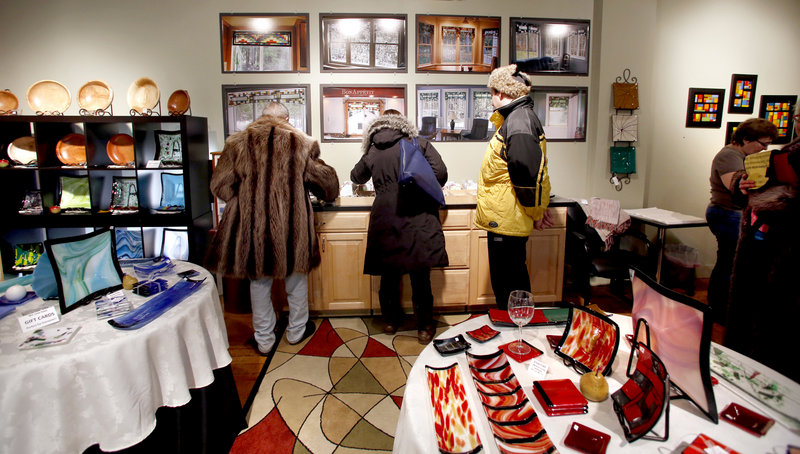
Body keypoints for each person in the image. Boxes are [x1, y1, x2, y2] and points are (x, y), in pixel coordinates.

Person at [205, 102, 340, 355]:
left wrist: (244, 199)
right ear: (287, 119)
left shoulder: (238, 143)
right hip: (292, 227)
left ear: (262, 117)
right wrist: (323, 192)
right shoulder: (301, 143)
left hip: (253, 228)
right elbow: (326, 181)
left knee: (259, 284)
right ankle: (297, 332)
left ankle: (265, 340)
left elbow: (219, 185)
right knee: (296, 281)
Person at [350, 109, 448, 344]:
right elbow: (441, 174)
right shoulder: (418, 143)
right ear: (403, 124)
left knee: (389, 274)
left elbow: (356, 177)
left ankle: (390, 321)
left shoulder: (373, 148)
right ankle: (424, 327)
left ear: (378, 126)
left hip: (386, 217)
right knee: (420, 275)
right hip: (418, 215)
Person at [726, 106, 800, 382]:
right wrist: (744, 186)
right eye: (798, 118)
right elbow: (741, 189)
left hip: (783, 258)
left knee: (776, 334)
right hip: (761, 248)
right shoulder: (787, 153)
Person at [474, 64, 553, 310]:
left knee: (509, 285)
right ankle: (513, 333)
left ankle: (516, 336)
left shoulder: (519, 122)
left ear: (501, 93)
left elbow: (525, 176)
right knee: (510, 281)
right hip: (506, 217)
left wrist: (536, 212)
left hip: (507, 220)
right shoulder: (516, 119)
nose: (491, 98)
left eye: (491, 93)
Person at [705, 118, 777, 325]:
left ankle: (718, 309)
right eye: (762, 144)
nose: (764, 149)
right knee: (728, 264)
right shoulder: (729, 155)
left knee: (727, 262)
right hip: (726, 213)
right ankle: (718, 311)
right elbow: (736, 186)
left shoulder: (739, 155)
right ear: (746, 139)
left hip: (729, 214)